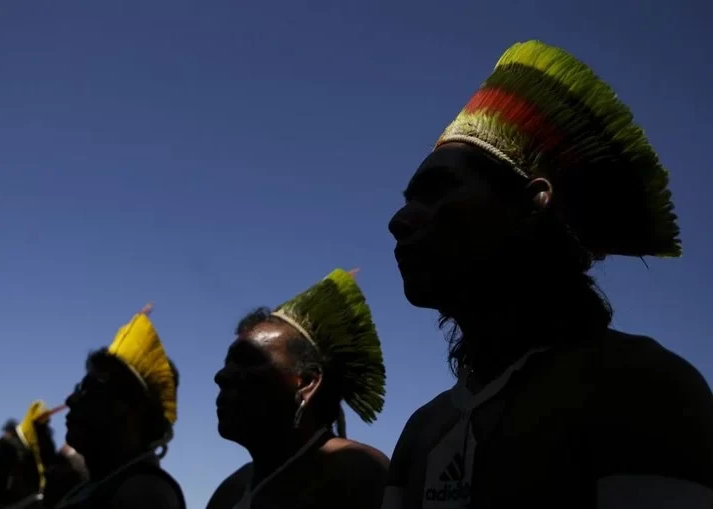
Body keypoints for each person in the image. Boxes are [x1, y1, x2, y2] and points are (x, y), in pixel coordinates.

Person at [385, 39, 713, 508]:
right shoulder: (423, 431)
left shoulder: (638, 387)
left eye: (436, 192)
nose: (400, 221)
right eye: (407, 202)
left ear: (531, 203)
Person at [207, 268, 389, 509]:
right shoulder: (231, 491)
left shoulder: (354, 473)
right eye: (228, 363)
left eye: (249, 361)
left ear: (306, 383)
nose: (221, 376)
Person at [57, 303, 184, 509]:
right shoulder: (92, 488)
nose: (71, 400)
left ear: (133, 411)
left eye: (91, 389)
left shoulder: (144, 495)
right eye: (79, 388)